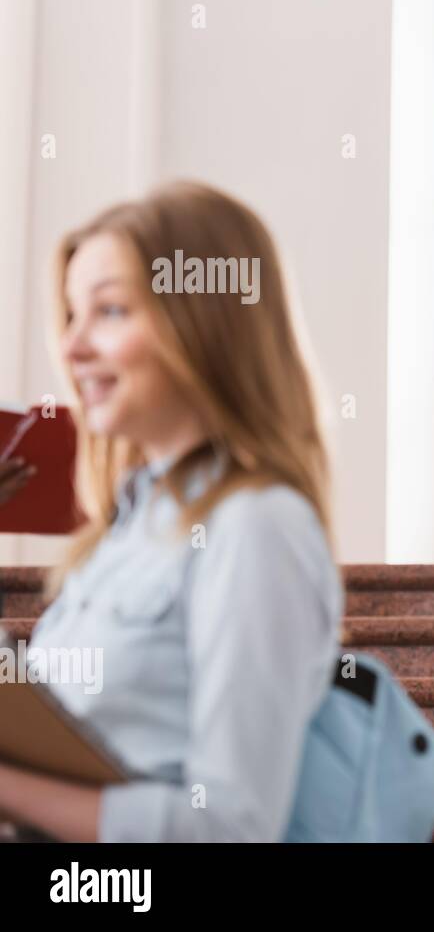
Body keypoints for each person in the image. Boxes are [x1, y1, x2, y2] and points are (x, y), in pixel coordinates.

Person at [0, 181, 342, 841]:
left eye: (109, 311)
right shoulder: (124, 535)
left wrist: (13, 792)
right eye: (71, 315)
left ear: (203, 323)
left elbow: (231, 827)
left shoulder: (256, 527)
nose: (70, 348)